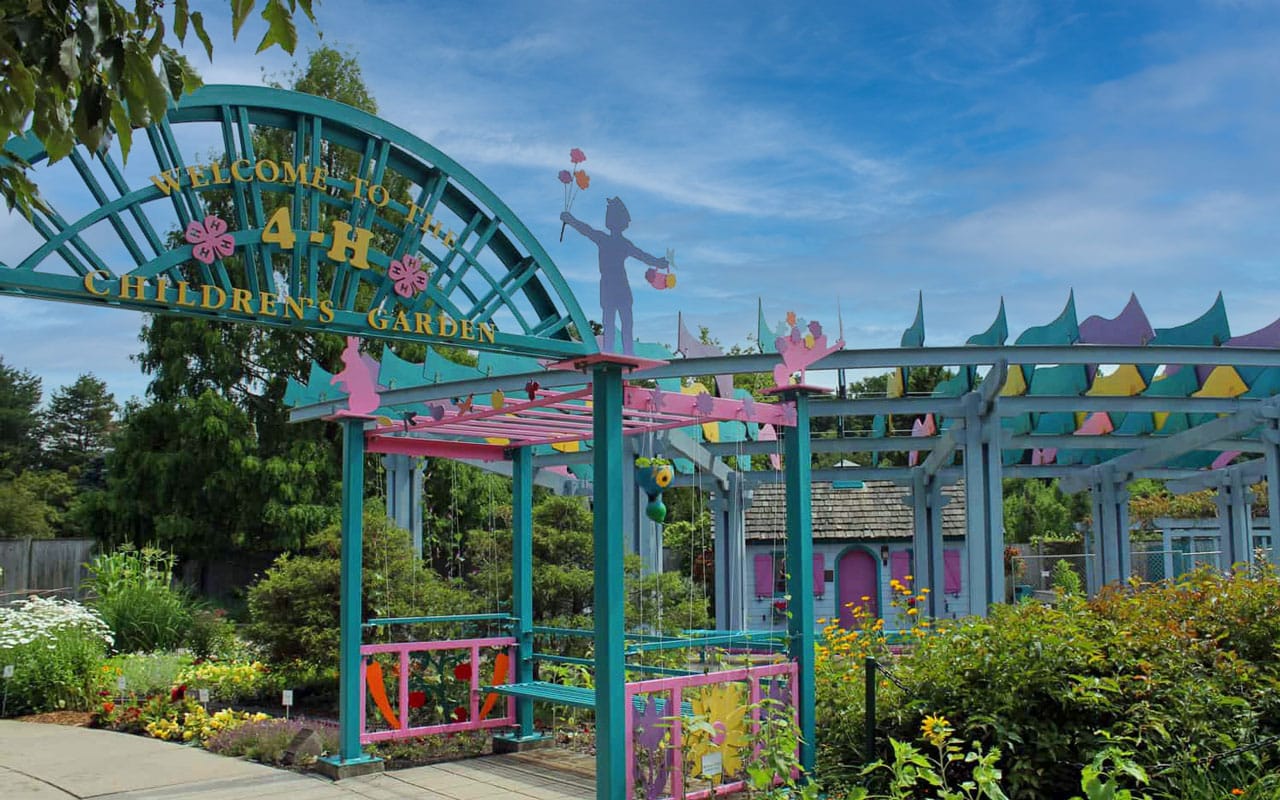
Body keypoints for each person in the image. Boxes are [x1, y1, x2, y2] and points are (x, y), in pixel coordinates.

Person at [561, 197, 668, 355]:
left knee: (614, 320)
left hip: (612, 284)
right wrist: (570, 220)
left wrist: (570, 220)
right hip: (615, 284)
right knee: (618, 320)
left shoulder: (606, 239)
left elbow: (586, 230)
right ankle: (620, 352)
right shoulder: (616, 242)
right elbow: (644, 256)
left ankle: (616, 351)